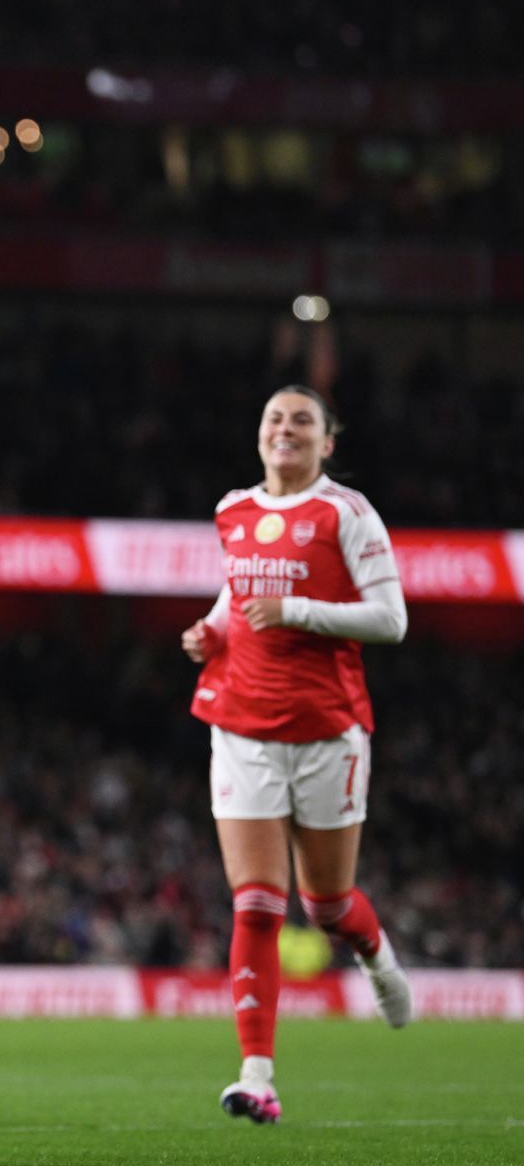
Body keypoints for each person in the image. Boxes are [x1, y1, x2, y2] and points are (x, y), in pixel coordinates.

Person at [182, 385, 413, 1126]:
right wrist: (212, 631)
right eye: (275, 419)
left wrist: (296, 612)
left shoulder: (347, 513)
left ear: (326, 442)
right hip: (241, 726)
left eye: (302, 421)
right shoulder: (233, 509)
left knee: (327, 904)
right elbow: (235, 596)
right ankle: (257, 1077)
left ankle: (376, 956)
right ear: (260, 435)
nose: (286, 429)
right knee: (256, 903)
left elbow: (391, 618)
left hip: (325, 729)